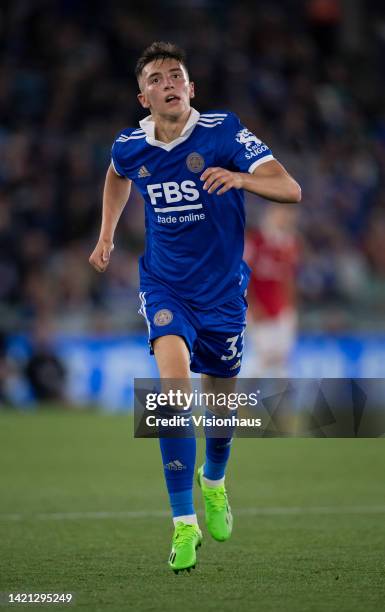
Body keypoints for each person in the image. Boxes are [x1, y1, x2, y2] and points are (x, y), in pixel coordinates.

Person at [89, 41, 301, 573]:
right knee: (173, 392)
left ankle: (215, 479)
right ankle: (183, 524)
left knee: (221, 405)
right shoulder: (129, 146)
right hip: (165, 286)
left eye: (176, 75)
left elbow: (290, 188)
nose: (168, 83)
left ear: (190, 88)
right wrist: (107, 236)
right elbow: (116, 175)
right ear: (144, 96)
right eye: (157, 78)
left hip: (224, 292)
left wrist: (240, 178)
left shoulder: (225, 132)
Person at [244, 205, 299, 377]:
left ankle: (279, 401)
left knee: (283, 358)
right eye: (279, 214)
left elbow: (289, 278)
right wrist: (251, 305)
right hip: (261, 307)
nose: (283, 219)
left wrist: (290, 306)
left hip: (282, 307)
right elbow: (244, 275)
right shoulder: (255, 241)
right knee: (263, 357)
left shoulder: (290, 243)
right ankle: (235, 397)